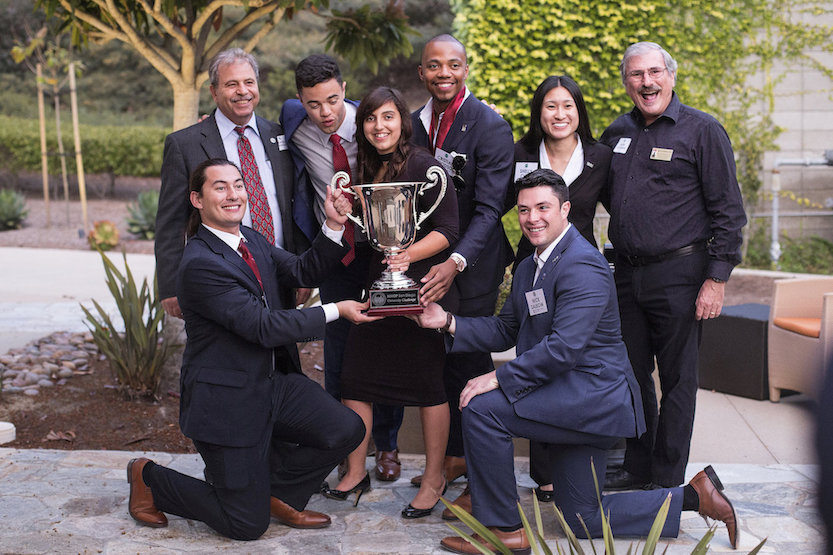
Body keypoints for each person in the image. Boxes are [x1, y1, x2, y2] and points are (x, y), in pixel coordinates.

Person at [414, 169, 739, 553]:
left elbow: (564, 348)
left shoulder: (581, 265)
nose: (532, 218)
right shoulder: (530, 266)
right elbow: (507, 330)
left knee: (483, 409)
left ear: (565, 208)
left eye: (542, 207)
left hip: (592, 398)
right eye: (523, 210)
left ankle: (505, 531)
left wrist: (497, 379)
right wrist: (447, 321)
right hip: (570, 396)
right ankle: (695, 497)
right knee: (583, 519)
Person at [127, 159, 375, 540]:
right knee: (245, 524)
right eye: (220, 187)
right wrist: (335, 311)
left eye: (238, 185)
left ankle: (276, 492)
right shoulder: (199, 263)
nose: (233, 195)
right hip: (227, 404)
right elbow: (261, 328)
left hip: (271, 384)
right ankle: (150, 477)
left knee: (346, 429)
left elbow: (301, 272)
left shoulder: (250, 239)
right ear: (197, 198)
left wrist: (333, 225)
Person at [600, 42, 747, 491]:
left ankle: (665, 477)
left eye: (654, 72)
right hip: (626, 274)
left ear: (671, 76)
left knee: (679, 380)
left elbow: (729, 211)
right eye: (636, 75)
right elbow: (604, 191)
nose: (647, 82)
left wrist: (716, 278)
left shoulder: (702, 132)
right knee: (631, 373)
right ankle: (637, 463)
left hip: (681, 276)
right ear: (626, 82)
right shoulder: (616, 133)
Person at [380, 34, 514, 512]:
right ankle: (454, 459)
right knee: (436, 362)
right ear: (421, 73)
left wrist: (456, 262)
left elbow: (490, 209)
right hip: (426, 258)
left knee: (470, 364)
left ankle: (484, 477)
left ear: (465, 68)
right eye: (433, 66)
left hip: (472, 266)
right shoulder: (412, 124)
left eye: (452, 65)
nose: (443, 74)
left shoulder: (491, 127)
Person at [322, 87, 459, 519]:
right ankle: (355, 470)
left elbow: (449, 228)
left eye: (387, 117)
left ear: (402, 120)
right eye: (369, 119)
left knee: (428, 386)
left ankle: (435, 477)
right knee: (355, 379)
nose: (379, 127)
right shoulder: (363, 166)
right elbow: (368, 236)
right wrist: (341, 215)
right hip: (374, 287)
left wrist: (408, 255)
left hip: (419, 289)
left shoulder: (422, 163)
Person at [280, 56, 402, 482]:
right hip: (335, 256)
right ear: (300, 101)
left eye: (333, 100)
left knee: (384, 350)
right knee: (338, 355)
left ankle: (387, 446)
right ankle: (344, 447)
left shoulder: (373, 125)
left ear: (345, 89)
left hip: (379, 256)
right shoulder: (293, 123)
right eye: (314, 104)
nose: (325, 112)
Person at [510, 74, 613, 503]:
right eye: (550, 105)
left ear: (579, 111)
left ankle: (577, 466)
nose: (559, 114)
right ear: (539, 112)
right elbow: (495, 208)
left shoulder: (601, 157)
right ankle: (545, 473)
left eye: (567, 105)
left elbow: (622, 212)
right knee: (533, 351)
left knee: (567, 358)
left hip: (578, 268)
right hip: (531, 265)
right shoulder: (519, 154)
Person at [156, 48, 300, 320]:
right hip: (220, 279)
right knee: (227, 359)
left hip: (280, 274)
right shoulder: (184, 145)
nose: (242, 91)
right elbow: (170, 221)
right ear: (213, 92)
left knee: (283, 356)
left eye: (248, 82)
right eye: (231, 84)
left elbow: (294, 206)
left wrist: (299, 269)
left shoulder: (279, 136)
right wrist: (170, 287)